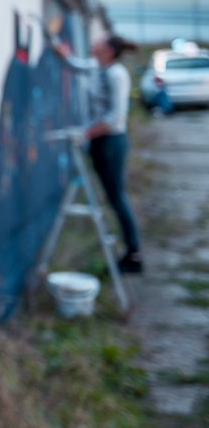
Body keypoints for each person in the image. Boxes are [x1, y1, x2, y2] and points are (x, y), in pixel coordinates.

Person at [86, 34, 142, 272]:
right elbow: (79, 65)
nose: (94, 42)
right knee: (113, 196)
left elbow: (115, 117)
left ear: (108, 51)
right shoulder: (100, 69)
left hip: (111, 142)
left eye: (99, 41)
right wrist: (62, 54)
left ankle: (133, 254)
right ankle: (131, 251)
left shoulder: (115, 74)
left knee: (117, 196)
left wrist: (84, 133)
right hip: (102, 141)